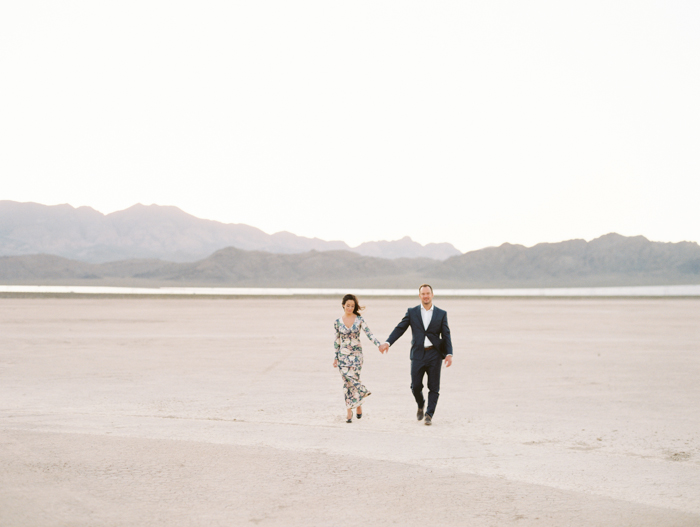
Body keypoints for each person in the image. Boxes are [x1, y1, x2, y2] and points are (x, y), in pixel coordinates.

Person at [379, 284, 453, 425]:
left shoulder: (441, 313)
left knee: (434, 387)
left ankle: (429, 415)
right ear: (420, 296)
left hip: (434, 355)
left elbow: (446, 334)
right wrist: (388, 342)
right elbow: (400, 328)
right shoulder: (412, 312)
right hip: (418, 355)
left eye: (428, 293)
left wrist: (449, 354)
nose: (426, 296)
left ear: (432, 295)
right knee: (415, 386)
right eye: (423, 293)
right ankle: (421, 403)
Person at [333, 294, 382, 423]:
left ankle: (358, 404)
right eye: (348, 305)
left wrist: (379, 345)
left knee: (354, 379)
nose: (350, 308)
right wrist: (335, 357)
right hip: (342, 356)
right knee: (346, 382)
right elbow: (337, 340)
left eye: (352, 306)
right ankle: (350, 409)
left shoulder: (359, 319)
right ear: (343, 305)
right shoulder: (337, 322)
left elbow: (369, 334)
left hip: (356, 356)